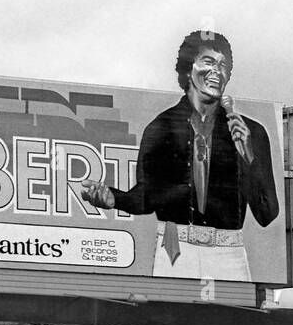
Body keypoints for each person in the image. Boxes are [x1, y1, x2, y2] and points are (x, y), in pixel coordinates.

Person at [82, 31, 278, 282]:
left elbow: (267, 213)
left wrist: (248, 156)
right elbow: (146, 198)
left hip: (229, 251)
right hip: (174, 246)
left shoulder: (251, 132)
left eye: (223, 66)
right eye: (209, 62)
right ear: (188, 68)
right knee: (169, 321)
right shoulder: (161, 127)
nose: (217, 71)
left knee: (234, 319)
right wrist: (114, 198)